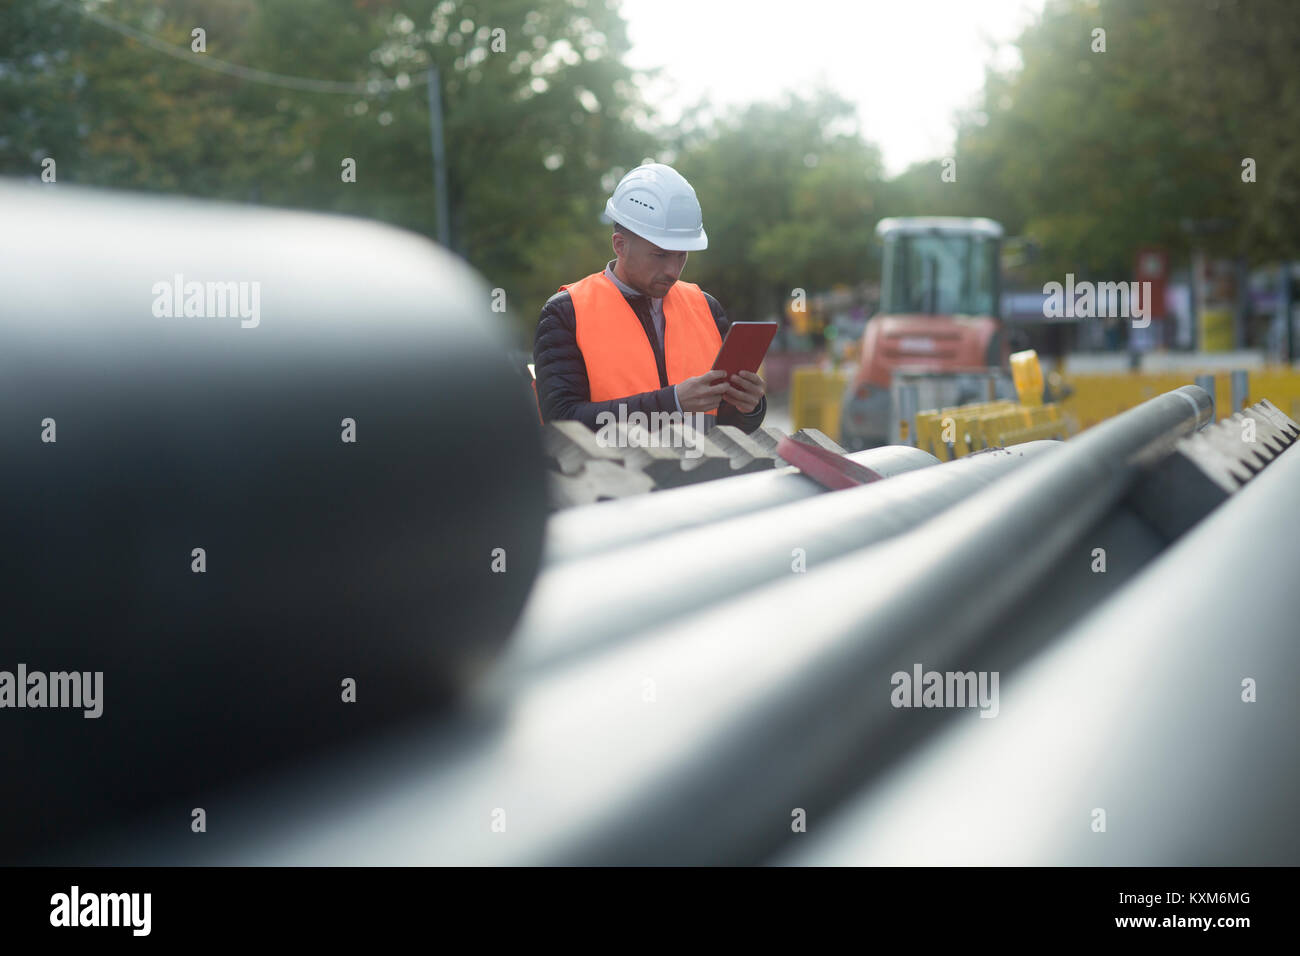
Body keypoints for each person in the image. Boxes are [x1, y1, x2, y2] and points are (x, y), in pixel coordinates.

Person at [532, 163, 766, 435]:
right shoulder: (565, 312)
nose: (672, 270)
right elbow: (562, 422)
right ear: (620, 245)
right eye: (660, 255)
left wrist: (751, 407)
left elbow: (729, 426)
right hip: (614, 476)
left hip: (706, 475)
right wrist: (673, 403)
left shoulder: (706, 307)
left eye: (681, 255)